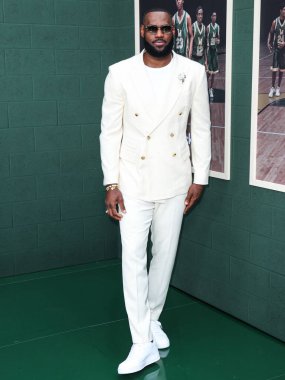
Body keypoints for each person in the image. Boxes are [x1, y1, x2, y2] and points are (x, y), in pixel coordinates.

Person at [100, 8, 211, 375]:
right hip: (132, 181)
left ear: (173, 33)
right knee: (133, 258)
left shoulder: (192, 72)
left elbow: (203, 127)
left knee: (164, 257)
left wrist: (200, 177)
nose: (160, 34)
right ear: (142, 31)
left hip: (176, 179)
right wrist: (111, 183)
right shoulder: (120, 73)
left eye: (166, 28)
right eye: (153, 29)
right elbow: (110, 132)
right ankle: (141, 342)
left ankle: (153, 319)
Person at [267, 3, 285, 97]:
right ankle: (272, 88)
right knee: (274, 69)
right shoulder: (275, 22)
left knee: (281, 70)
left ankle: (278, 88)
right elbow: (271, 33)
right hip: (276, 48)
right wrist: (269, 42)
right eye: (284, 10)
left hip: (283, 50)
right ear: (280, 11)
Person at [207, 12, 220, 98]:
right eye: (213, 16)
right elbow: (206, 38)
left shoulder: (218, 27)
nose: (214, 17)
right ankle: (205, 87)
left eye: (215, 16)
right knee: (209, 72)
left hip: (214, 51)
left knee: (214, 73)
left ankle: (211, 89)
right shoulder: (208, 27)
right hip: (209, 51)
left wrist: (218, 41)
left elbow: (219, 39)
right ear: (211, 17)